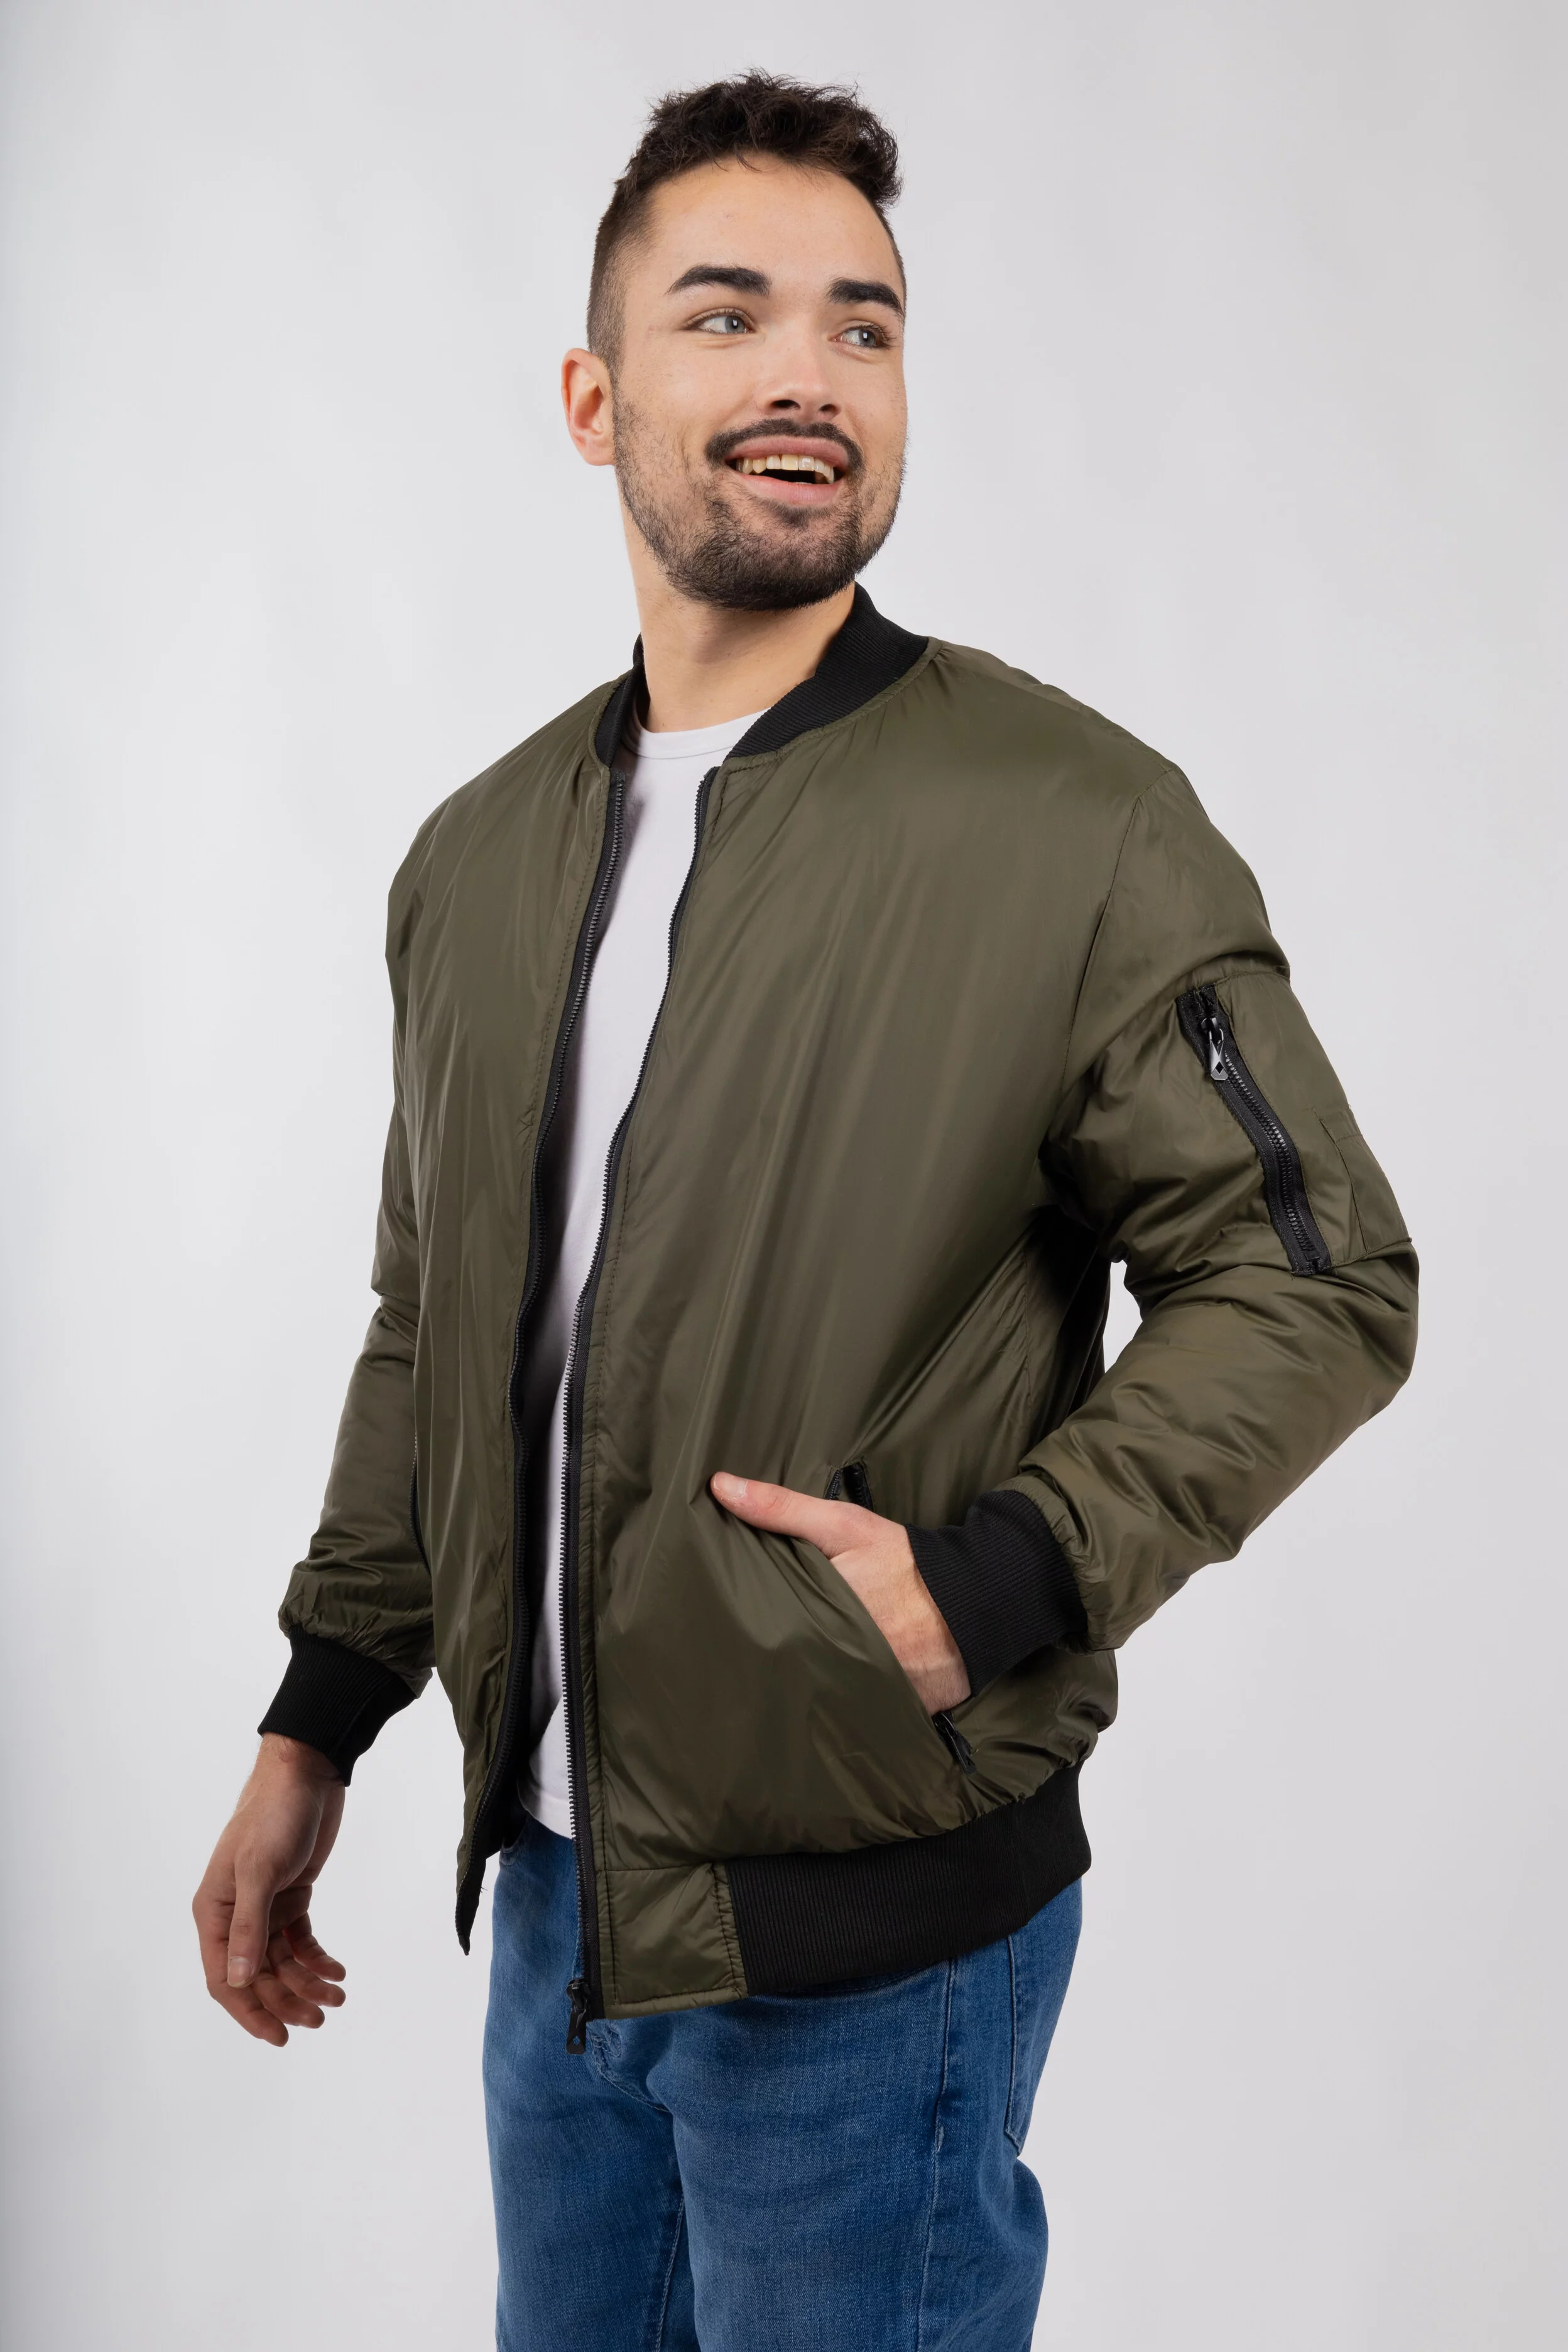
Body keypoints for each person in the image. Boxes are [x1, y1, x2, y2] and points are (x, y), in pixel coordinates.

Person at [192, 72, 1418, 2352]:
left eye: (864, 326)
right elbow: (433, 1328)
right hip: (559, 1920)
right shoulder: (476, 862)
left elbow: (1316, 1275)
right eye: (728, 314)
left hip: (875, 1950)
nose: (809, 375)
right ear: (595, 399)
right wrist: (316, 1723)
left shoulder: (1071, 825)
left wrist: (1002, 1577)